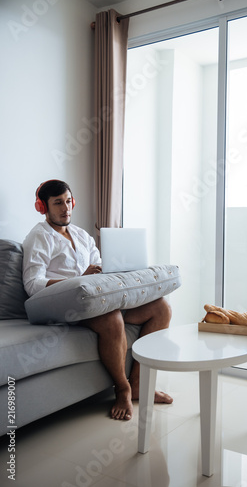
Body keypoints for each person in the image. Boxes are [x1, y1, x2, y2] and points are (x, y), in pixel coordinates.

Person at [22, 179, 173, 421]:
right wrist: (77, 280)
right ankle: (122, 389)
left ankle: (137, 384)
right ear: (43, 207)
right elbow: (32, 284)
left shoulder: (82, 235)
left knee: (161, 308)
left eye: (68, 201)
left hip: (97, 298)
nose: (66, 208)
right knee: (111, 317)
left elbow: (101, 266)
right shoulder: (39, 237)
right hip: (60, 304)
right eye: (58, 203)